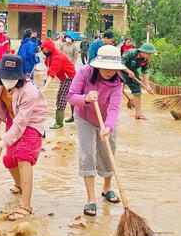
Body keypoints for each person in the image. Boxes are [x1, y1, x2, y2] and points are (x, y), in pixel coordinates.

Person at [67, 44, 125, 217]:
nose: (108, 71)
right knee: (88, 154)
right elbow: (71, 97)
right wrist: (85, 98)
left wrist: (108, 127)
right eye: (105, 68)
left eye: (112, 68)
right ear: (97, 64)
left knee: (108, 152)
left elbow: (114, 108)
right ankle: (91, 199)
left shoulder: (117, 82)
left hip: (105, 120)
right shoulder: (85, 73)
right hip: (84, 117)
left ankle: (107, 187)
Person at [0, 54, 48, 221]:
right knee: (9, 160)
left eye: (12, 77)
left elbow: (21, 123)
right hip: (11, 116)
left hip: (31, 121)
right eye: (4, 76)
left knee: (23, 156)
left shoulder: (29, 91)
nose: (7, 80)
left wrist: (1, 144)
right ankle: (20, 184)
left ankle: (25, 206)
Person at [40, 37, 77, 129]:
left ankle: (59, 122)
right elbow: (48, 67)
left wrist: (44, 89)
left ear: (51, 48)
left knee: (61, 97)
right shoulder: (49, 56)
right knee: (71, 96)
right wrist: (45, 77)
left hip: (69, 78)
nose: (45, 51)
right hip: (64, 78)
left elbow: (52, 73)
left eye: (46, 49)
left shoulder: (57, 57)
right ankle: (75, 116)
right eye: (43, 49)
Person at [122, 42, 157, 120]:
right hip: (120, 71)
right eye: (149, 54)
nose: (150, 56)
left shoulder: (145, 59)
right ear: (144, 52)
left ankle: (138, 114)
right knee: (115, 90)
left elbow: (145, 72)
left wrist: (147, 86)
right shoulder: (131, 53)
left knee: (137, 92)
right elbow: (121, 64)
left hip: (133, 72)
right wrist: (128, 71)